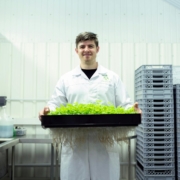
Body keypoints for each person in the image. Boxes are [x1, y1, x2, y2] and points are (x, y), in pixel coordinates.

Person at [39, 32, 141, 180]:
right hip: (75, 145)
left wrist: (133, 111)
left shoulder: (111, 77)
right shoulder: (66, 79)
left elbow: (124, 104)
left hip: (104, 143)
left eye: (90, 46)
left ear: (97, 49)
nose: (86, 49)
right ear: (76, 50)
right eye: (82, 46)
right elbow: (55, 105)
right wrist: (47, 111)